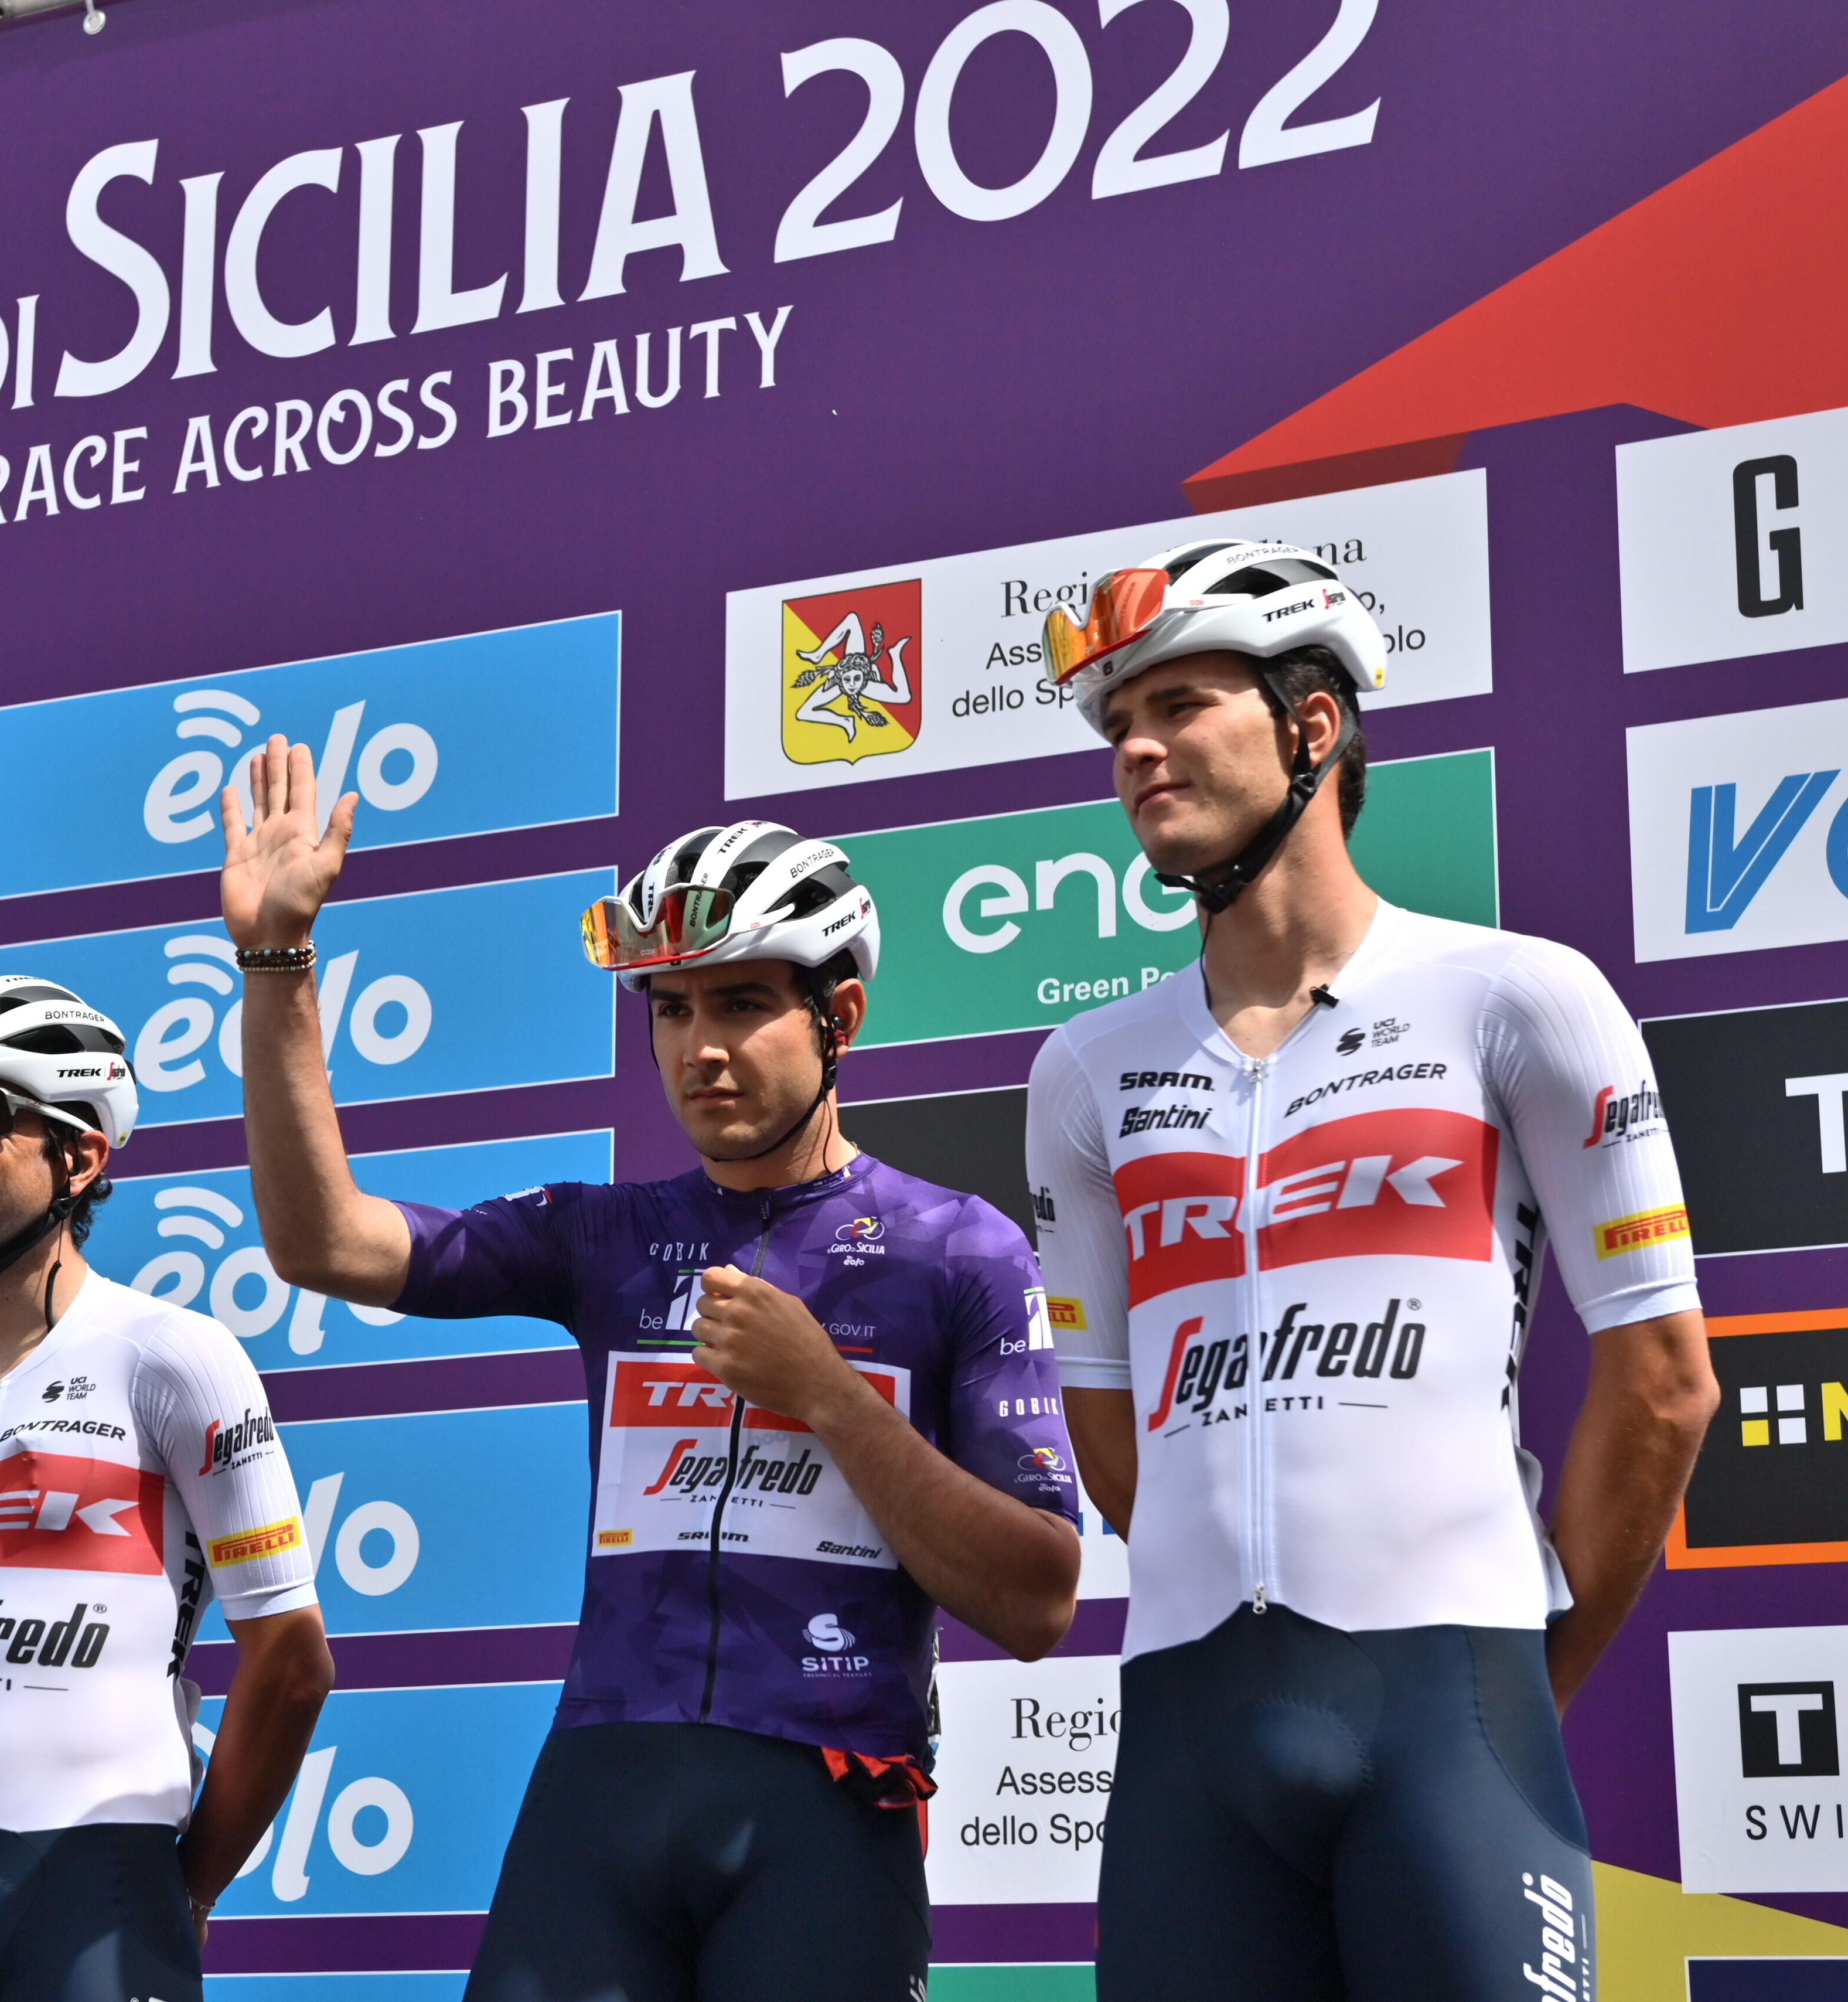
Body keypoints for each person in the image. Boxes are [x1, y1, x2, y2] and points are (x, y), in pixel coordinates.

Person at [221, 746, 1082, 2002]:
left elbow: (1039, 1598)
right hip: (602, 1790)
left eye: (739, 1003)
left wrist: (828, 1393)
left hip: (823, 1803)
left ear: (837, 1018)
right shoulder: (604, 1235)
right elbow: (323, 1240)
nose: (698, 1049)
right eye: (670, 1010)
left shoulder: (958, 1250)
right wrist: (278, 964)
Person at [1026, 542, 1719, 2000]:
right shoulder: (1085, 1068)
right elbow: (1110, 1435)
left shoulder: (1518, 995)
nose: (1136, 747)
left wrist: (1508, 1686)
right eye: (1116, 726)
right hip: (1186, 1735)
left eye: (1179, 702)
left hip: (1449, 1712)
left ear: (1311, 727)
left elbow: (1662, 1387)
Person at [0, 976, 333, 2002]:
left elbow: (291, 1663)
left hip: (99, 1887)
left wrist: (177, 1885)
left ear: (81, 1156)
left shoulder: (174, 1359)